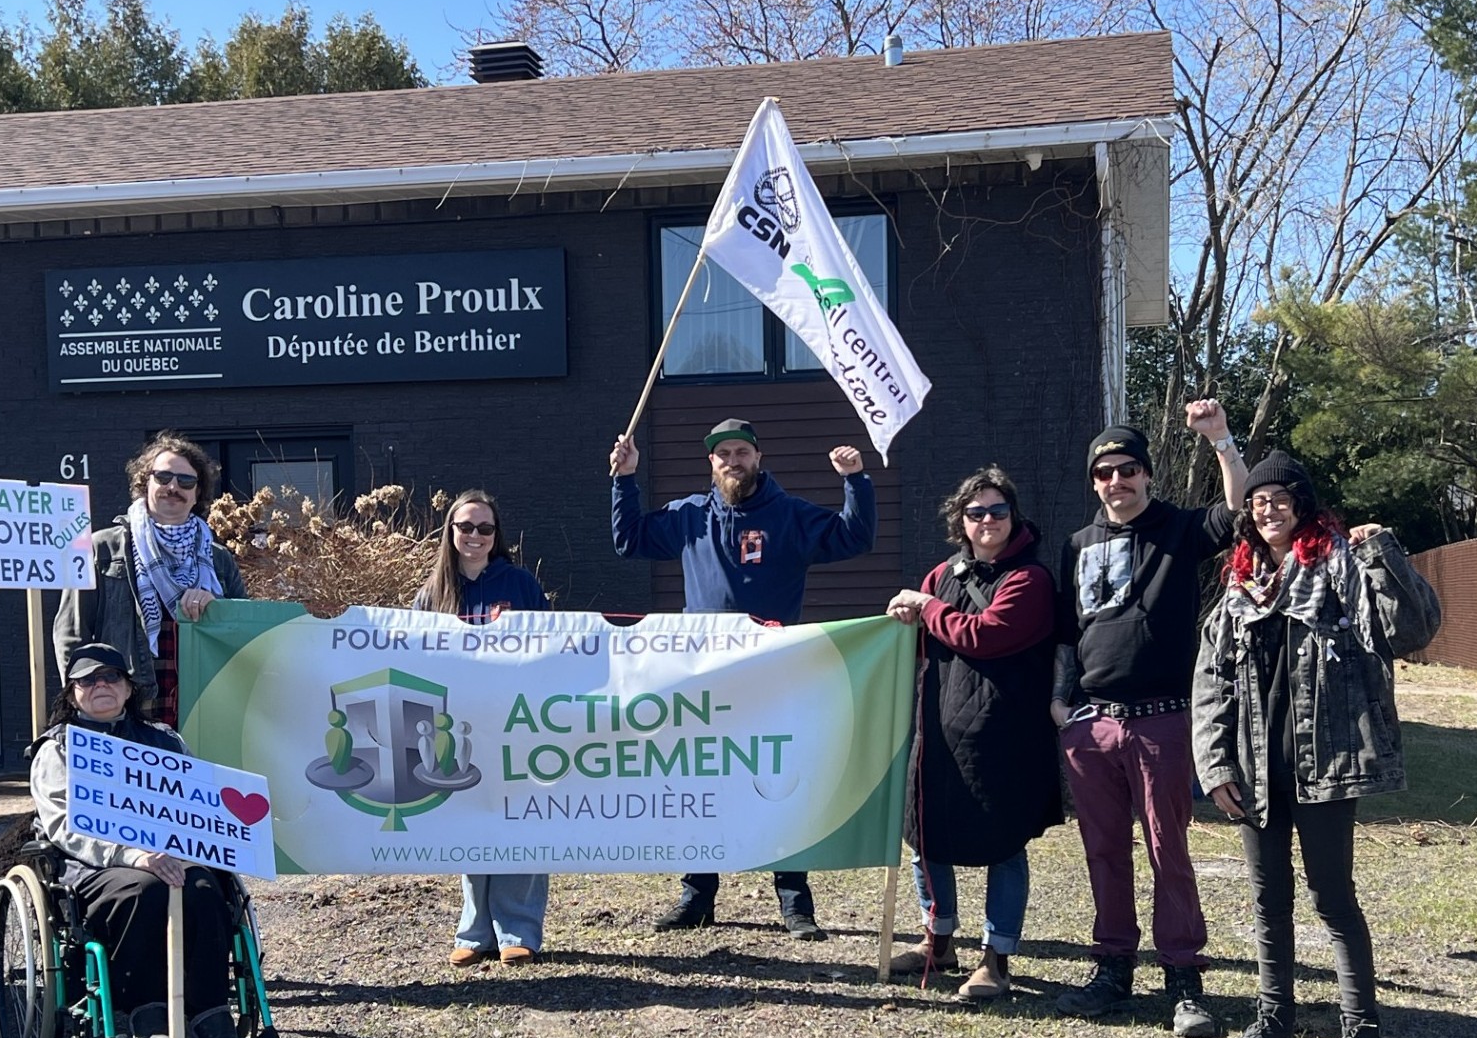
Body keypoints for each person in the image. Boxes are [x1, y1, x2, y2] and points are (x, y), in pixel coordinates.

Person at [1193, 452, 1440, 1038]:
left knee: (1332, 899)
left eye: (1278, 499)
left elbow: (1409, 630)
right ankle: (1275, 1027)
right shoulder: (1240, 583)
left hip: (1323, 762)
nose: (1266, 510)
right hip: (1255, 763)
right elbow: (1212, 679)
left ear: (1302, 504)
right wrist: (1216, 763)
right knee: (1266, 899)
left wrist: (1383, 550)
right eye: (1256, 502)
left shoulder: (1341, 564)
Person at [610, 417, 876, 940]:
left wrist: (855, 481)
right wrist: (624, 479)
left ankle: (795, 903)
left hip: (774, 674)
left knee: (779, 780)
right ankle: (697, 896)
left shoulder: (790, 515)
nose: (732, 461)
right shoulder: (690, 516)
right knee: (700, 781)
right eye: (722, 454)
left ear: (758, 458)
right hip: (703, 675)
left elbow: (853, 537)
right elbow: (629, 540)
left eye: (741, 452)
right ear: (711, 463)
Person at [1051, 401, 1248, 1038]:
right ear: (1094, 481)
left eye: (1129, 469)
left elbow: (1240, 512)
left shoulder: (1178, 530)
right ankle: (1112, 969)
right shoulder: (1078, 546)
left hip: (1163, 722)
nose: (1117, 481)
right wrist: (1063, 707)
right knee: (1104, 851)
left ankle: (1184, 981)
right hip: (1092, 727)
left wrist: (1220, 439)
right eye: (1105, 472)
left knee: (1170, 852)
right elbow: (1064, 634)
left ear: (1147, 475)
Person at [29, 642, 262, 1038]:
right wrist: (131, 854)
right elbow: (64, 824)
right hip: (98, 868)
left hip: (174, 856)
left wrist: (204, 846)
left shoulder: (164, 741)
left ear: (128, 688)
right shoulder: (58, 749)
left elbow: (198, 805)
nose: (101, 685)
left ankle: (213, 1021)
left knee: (206, 889)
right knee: (146, 889)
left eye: (111, 677)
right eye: (88, 679)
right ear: (72, 691)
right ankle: (148, 1018)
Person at [885, 467, 1061, 998]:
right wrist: (904, 619)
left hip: (1004, 734)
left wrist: (927, 608)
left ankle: (996, 957)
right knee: (927, 833)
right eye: (976, 512)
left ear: (1014, 516)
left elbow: (984, 635)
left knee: (1003, 845)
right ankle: (937, 941)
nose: (987, 521)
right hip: (937, 727)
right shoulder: (943, 574)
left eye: (998, 511)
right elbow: (925, 641)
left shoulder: (1030, 579)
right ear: (960, 520)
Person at [413, 489, 551, 967]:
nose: (474, 536)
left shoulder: (521, 585)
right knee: (471, 822)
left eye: (484, 528)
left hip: (515, 722)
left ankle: (519, 929)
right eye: (465, 527)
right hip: (456, 727)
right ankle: (474, 932)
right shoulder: (431, 594)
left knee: (520, 819)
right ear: (450, 532)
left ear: (497, 536)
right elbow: (413, 663)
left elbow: (550, 651)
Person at [54, 432, 246, 727]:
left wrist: (218, 607)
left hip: (202, 707)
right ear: (145, 484)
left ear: (197, 494)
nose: (173, 487)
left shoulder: (218, 558)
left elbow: (244, 636)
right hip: (126, 710)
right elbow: (71, 633)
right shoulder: (101, 548)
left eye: (186, 481)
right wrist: (86, 703)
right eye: (163, 477)